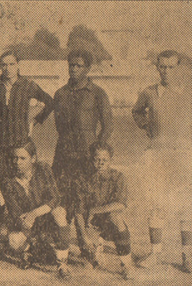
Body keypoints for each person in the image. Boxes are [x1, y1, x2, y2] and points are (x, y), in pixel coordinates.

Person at [132, 50, 192, 273]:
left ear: (178, 67)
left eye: (171, 67)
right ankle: (156, 254)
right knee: (157, 204)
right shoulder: (149, 92)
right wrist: (146, 126)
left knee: (185, 205)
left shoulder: (189, 91)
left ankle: (187, 256)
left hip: (183, 154)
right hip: (156, 153)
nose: (166, 71)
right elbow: (136, 112)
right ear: (157, 67)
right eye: (162, 66)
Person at [52, 49, 113, 222]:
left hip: (87, 152)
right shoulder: (60, 94)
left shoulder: (97, 93)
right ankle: (61, 235)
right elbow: (59, 125)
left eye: (79, 65)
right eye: (71, 65)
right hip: (64, 151)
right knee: (60, 191)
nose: (74, 69)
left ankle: (87, 236)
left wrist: (98, 149)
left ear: (87, 68)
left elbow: (108, 125)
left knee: (86, 194)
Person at [0, 139, 71, 279]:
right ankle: (29, 250)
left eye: (22, 158)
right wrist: (25, 222)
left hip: (44, 217)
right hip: (26, 220)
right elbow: (15, 211)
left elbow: (55, 198)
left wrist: (34, 213)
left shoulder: (43, 169)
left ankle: (62, 263)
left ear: (33, 158)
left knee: (60, 212)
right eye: (14, 158)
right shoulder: (7, 180)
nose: (17, 162)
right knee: (14, 240)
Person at [0, 51, 54, 186]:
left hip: (20, 140)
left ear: (18, 65)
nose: (7, 68)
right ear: (0, 67)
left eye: (11, 64)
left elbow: (49, 102)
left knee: (20, 178)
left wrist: (35, 120)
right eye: (4, 65)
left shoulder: (28, 85)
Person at [73, 142, 135, 280]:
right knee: (88, 267)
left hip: (108, 221)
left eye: (104, 160)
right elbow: (78, 212)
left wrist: (96, 210)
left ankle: (126, 264)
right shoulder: (83, 180)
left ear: (110, 160)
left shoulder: (118, 177)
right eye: (97, 159)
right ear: (91, 160)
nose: (100, 163)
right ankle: (95, 249)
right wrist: (84, 237)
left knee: (116, 217)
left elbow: (121, 204)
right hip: (92, 223)